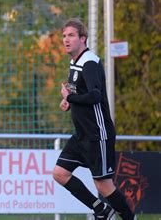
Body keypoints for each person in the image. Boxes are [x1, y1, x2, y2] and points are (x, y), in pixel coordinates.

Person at [53, 18, 136, 220]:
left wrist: (70, 97)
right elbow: (78, 93)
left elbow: (95, 95)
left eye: (71, 35)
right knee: (60, 173)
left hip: (97, 134)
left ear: (83, 38)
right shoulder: (75, 62)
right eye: (64, 36)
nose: (66, 39)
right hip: (82, 135)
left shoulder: (89, 62)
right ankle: (101, 210)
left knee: (104, 185)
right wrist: (69, 102)